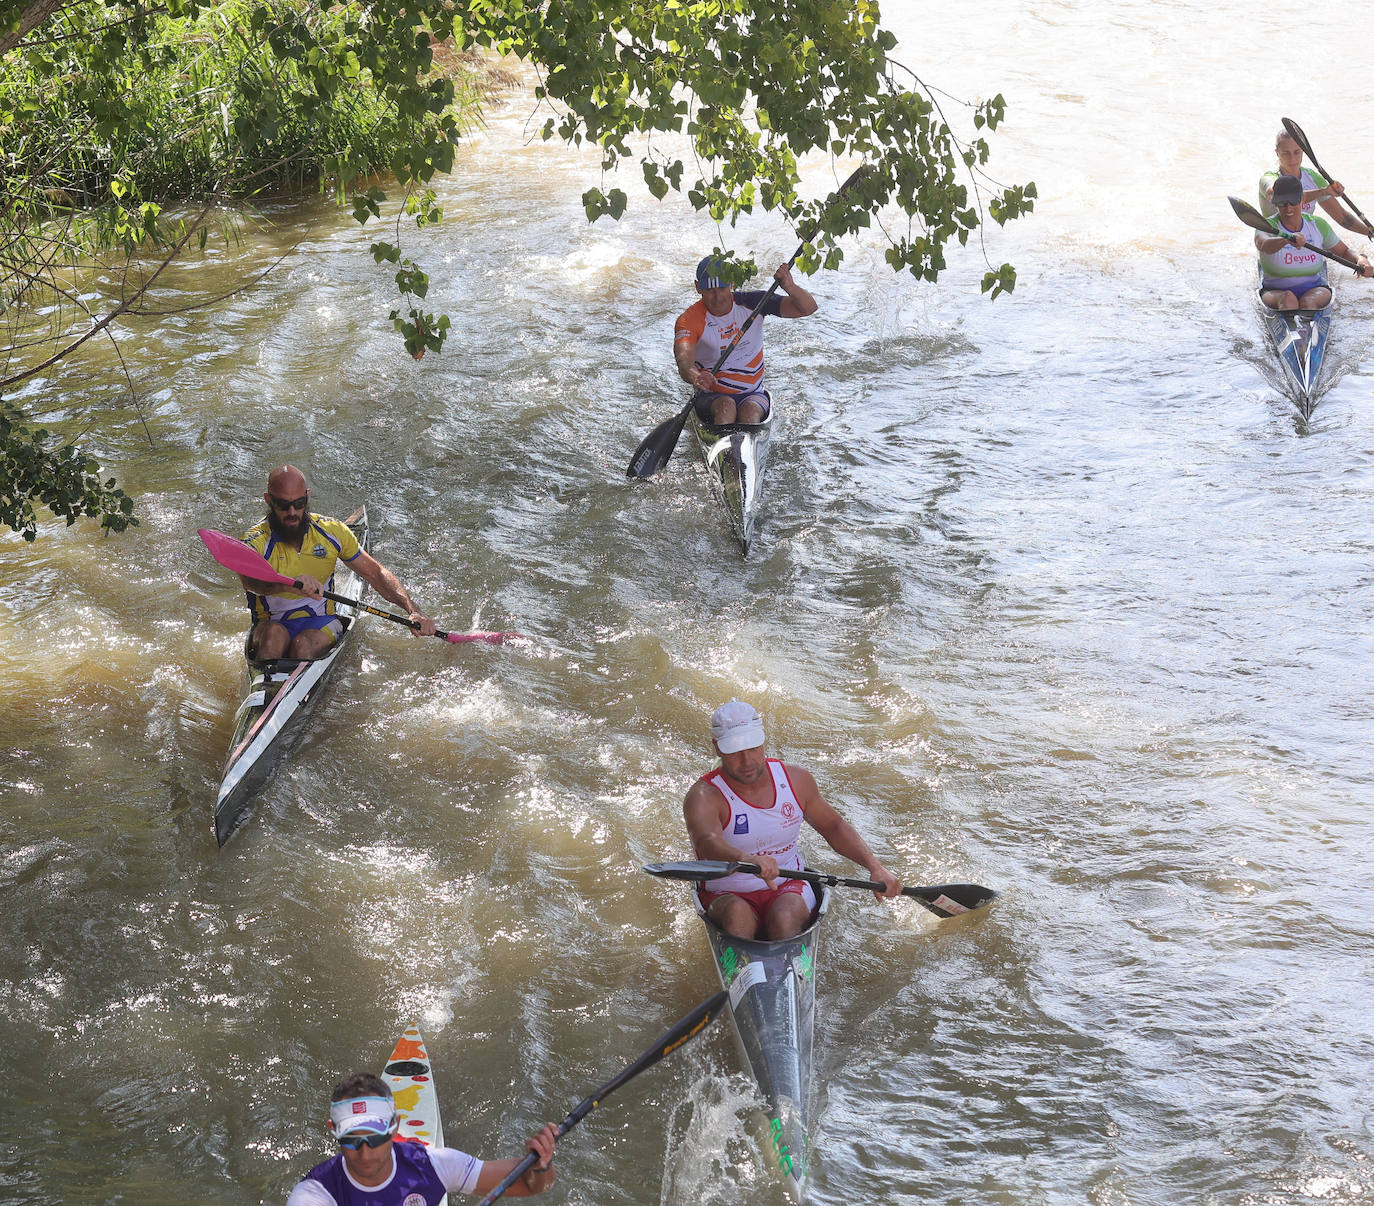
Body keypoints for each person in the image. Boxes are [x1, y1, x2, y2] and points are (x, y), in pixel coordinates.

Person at [683, 699, 902, 941]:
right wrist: (747, 859)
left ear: (763, 740)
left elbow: (834, 827)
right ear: (717, 747)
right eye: (734, 752)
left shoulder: (796, 780)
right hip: (726, 893)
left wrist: (875, 867)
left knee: (785, 918)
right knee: (738, 917)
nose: (747, 761)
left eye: (753, 747)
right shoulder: (703, 796)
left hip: (788, 883)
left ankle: (787, 970)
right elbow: (707, 841)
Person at [237, 464, 436, 661]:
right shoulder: (255, 541)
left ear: (307, 496)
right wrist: (288, 585)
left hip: (319, 622)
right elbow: (249, 582)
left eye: (299, 503)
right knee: (273, 637)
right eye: (283, 505)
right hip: (270, 625)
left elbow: (375, 573)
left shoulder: (332, 532)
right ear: (269, 501)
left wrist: (413, 610)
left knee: (302, 647)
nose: (292, 512)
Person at [285, 1073, 558, 1204]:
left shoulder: (433, 1165)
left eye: (376, 1137)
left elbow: (531, 1185)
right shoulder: (314, 1194)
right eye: (352, 1139)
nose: (365, 1152)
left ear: (395, 1128)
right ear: (334, 1130)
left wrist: (540, 1167)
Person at [673, 255, 817, 426]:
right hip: (711, 397)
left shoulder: (755, 303)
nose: (717, 297)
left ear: (731, 283)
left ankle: (740, 447)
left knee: (749, 411)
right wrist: (696, 377)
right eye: (710, 291)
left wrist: (790, 286)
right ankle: (727, 449)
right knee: (727, 407)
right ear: (698, 287)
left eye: (722, 288)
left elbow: (809, 308)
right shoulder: (689, 320)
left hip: (753, 394)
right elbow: (684, 362)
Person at [1256, 174, 1373, 311]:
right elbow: (1263, 245)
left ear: (1302, 200)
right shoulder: (1265, 226)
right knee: (1288, 299)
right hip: (1275, 292)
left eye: (1293, 202)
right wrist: (1286, 239)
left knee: (1308, 302)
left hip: (1315, 289)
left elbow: (1344, 251)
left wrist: (1360, 259)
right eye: (1282, 203)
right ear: (1275, 203)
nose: (1288, 209)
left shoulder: (1317, 225)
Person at [1259, 129, 1374, 237]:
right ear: (1277, 153)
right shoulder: (1269, 179)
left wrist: (1370, 233)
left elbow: (1343, 218)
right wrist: (1324, 191)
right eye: (1286, 153)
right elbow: (1277, 195)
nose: (1292, 159)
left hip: (1306, 241)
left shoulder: (1313, 178)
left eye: (1296, 152)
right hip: (1276, 242)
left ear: (1303, 151)